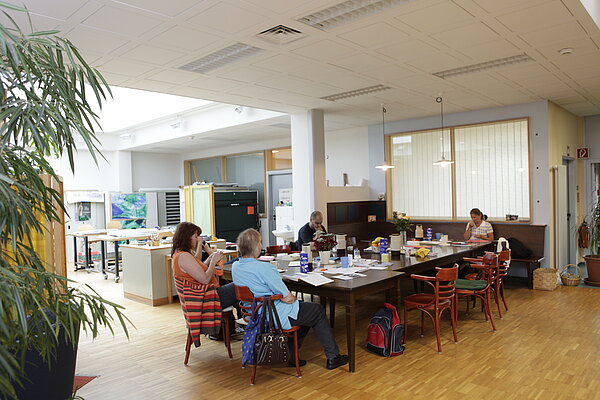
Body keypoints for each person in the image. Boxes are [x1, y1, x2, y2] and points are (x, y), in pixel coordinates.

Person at [232, 228, 348, 370]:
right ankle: (333, 357)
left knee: (307, 313)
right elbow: (288, 298)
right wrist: (292, 296)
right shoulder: (264, 268)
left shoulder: (235, 266)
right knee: (316, 310)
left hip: (254, 316)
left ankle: (290, 355)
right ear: (257, 246)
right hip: (273, 315)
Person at [171, 222, 238, 332]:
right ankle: (248, 325)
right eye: (195, 236)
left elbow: (198, 267)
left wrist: (210, 260)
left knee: (239, 292)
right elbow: (205, 279)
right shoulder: (184, 256)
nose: (197, 239)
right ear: (187, 237)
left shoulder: (180, 254)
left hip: (205, 296)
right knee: (240, 286)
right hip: (206, 300)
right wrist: (213, 262)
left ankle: (238, 326)